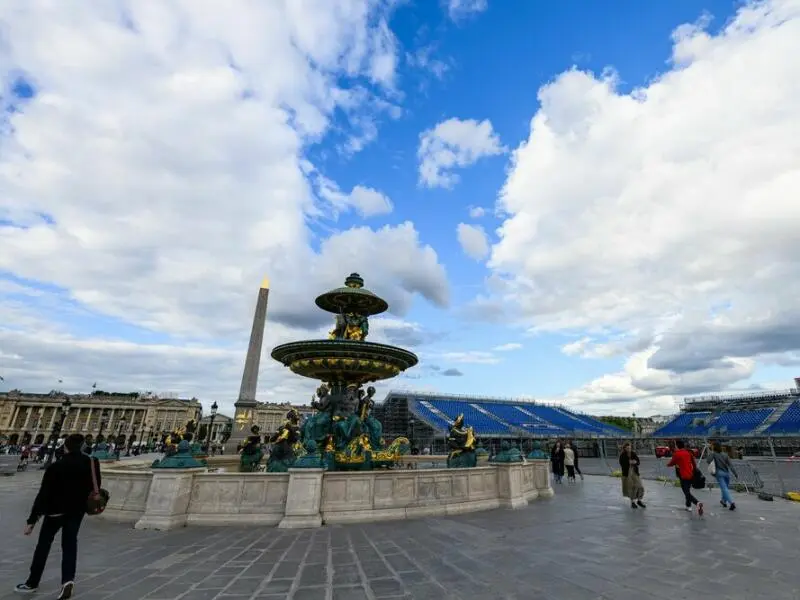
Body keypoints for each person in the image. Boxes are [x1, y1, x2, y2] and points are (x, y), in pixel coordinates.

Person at [15, 433, 100, 599]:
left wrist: (32, 520)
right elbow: (96, 486)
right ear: (83, 446)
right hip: (76, 511)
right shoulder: (92, 462)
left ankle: (32, 582)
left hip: (55, 512)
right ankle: (67, 581)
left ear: (65, 447)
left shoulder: (56, 466)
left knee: (43, 546)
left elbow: (43, 494)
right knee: (69, 545)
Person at [668, 440, 703, 516]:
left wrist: (668, 464)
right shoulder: (688, 452)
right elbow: (694, 463)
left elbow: (671, 463)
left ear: (677, 446)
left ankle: (697, 503)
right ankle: (688, 506)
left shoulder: (677, 454)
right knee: (687, 491)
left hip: (683, 475)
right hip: (691, 474)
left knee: (686, 492)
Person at [706, 441, 738, 511]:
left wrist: (711, 452)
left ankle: (732, 502)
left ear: (714, 447)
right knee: (725, 488)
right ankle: (723, 501)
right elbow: (731, 466)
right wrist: (735, 474)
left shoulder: (713, 454)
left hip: (719, 473)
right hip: (726, 473)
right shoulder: (725, 455)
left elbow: (708, 461)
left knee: (724, 489)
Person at [619, 442, 646, 509]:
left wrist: (635, 462)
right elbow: (622, 464)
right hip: (627, 474)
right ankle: (632, 502)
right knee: (631, 488)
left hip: (635, 472)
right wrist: (629, 462)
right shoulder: (622, 455)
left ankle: (639, 500)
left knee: (640, 486)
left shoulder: (633, 453)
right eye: (627, 448)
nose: (629, 449)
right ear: (625, 448)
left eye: (630, 448)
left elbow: (638, 461)